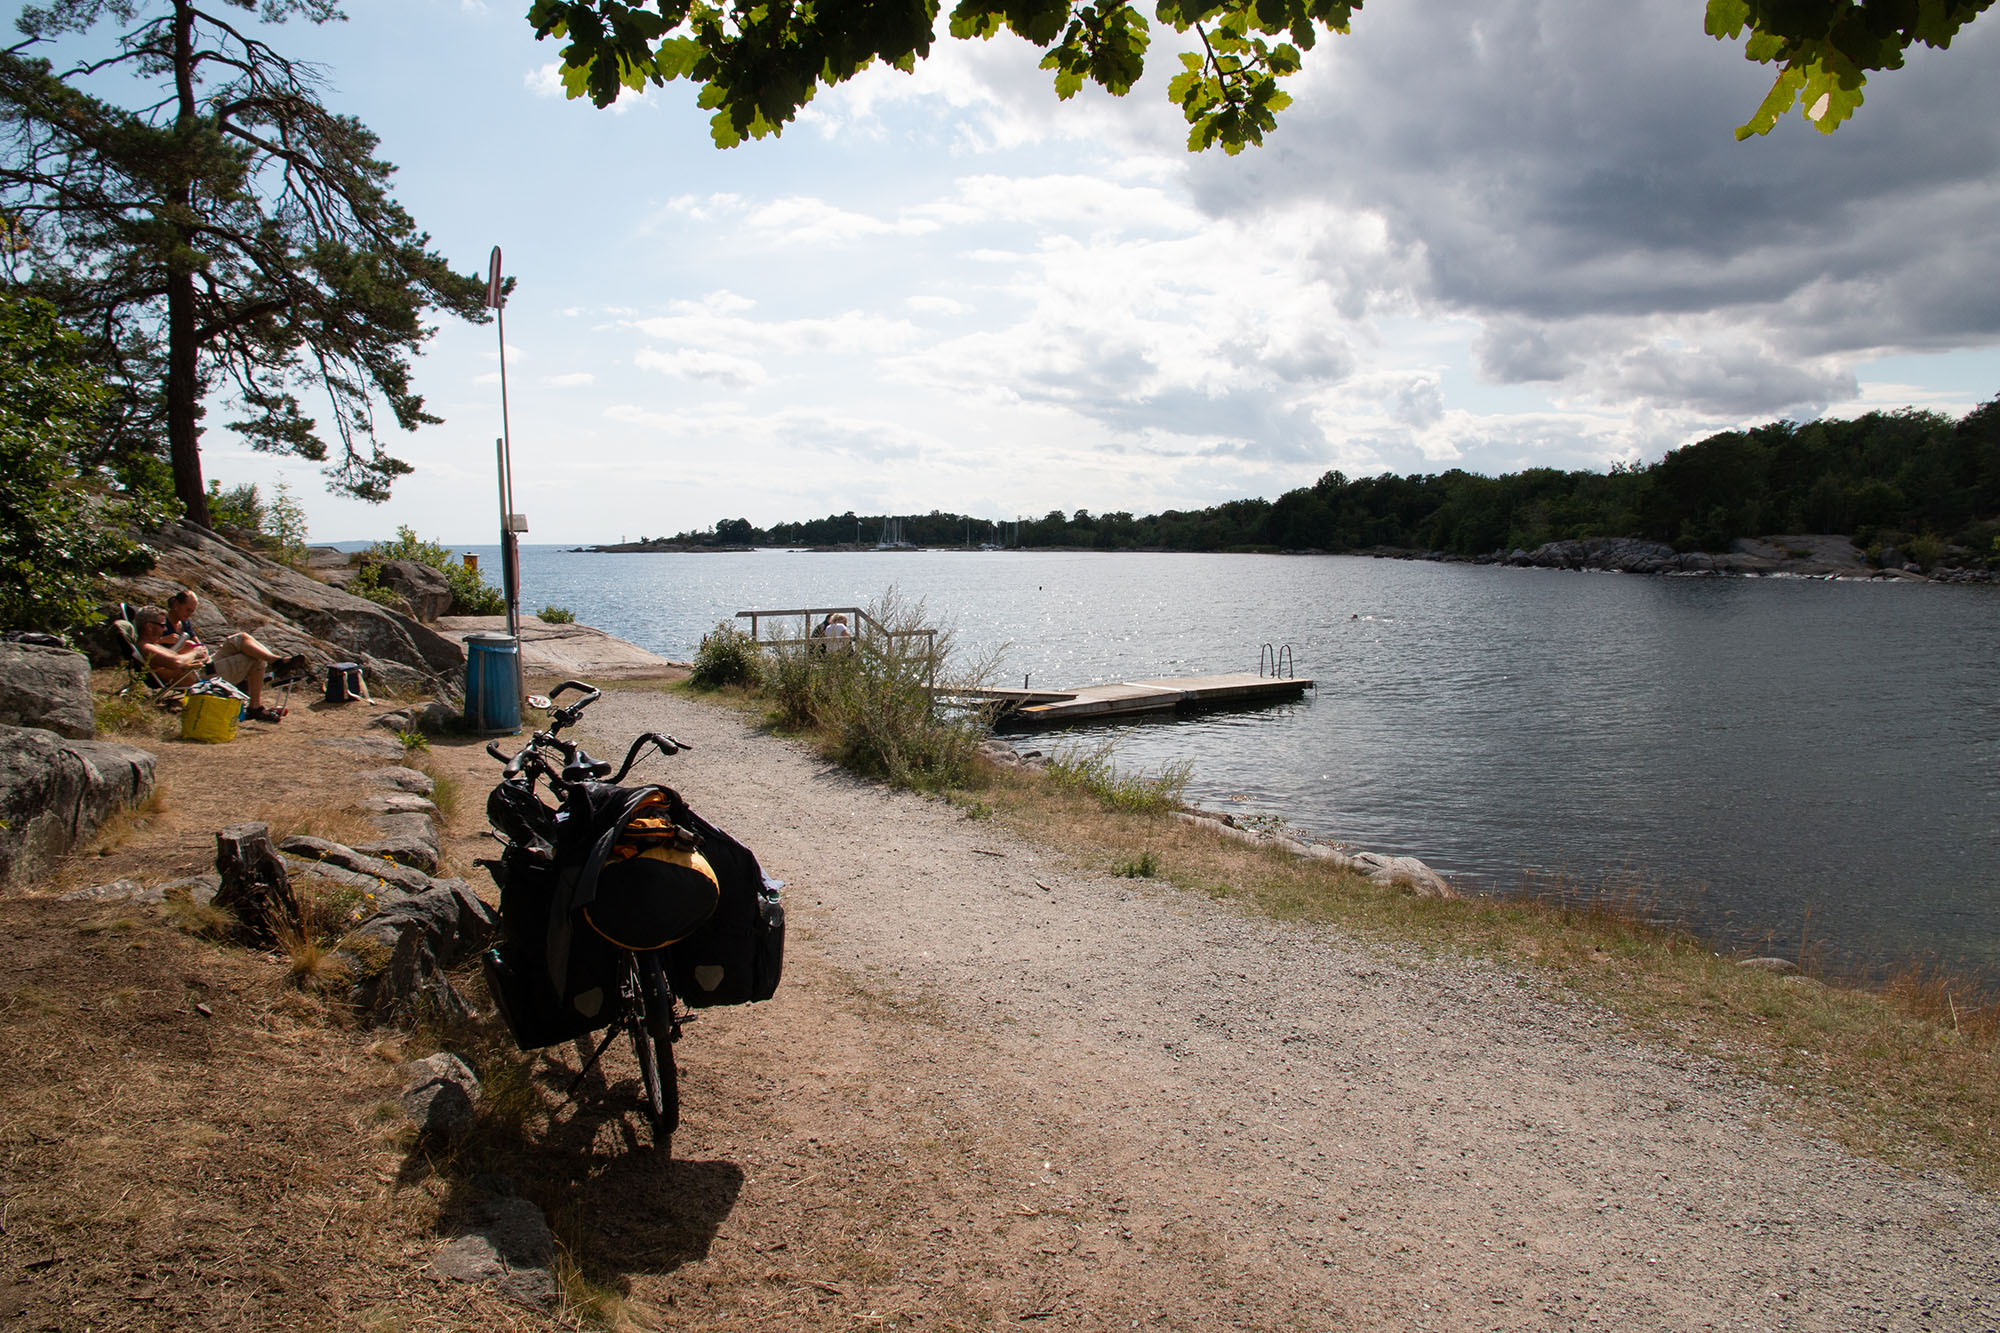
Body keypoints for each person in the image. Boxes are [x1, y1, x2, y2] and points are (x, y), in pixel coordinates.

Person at [132, 603, 299, 722]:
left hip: (202, 666)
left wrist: (186, 649)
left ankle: (277, 661)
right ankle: (255, 707)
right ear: (148, 626)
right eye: (161, 625)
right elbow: (176, 663)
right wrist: (194, 652)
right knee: (254, 659)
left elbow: (171, 660)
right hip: (200, 676)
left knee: (240, 638)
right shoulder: (146, 647)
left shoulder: (154, 644)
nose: (164, 628)